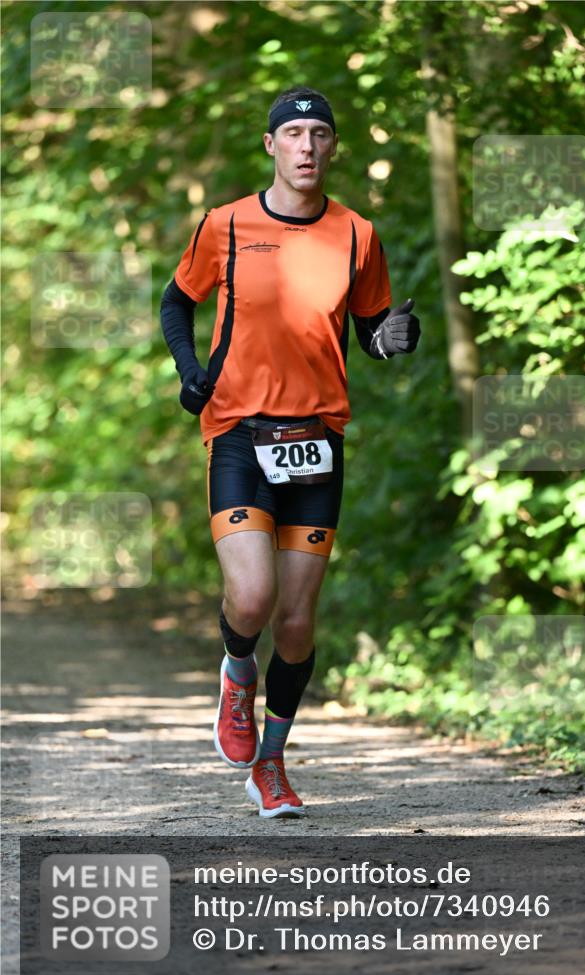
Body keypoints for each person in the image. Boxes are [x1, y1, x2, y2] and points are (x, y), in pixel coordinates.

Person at [160, 87, 421, 818]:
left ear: (334, 148)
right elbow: (175, 301)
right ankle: (236, 672)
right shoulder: (227, 226)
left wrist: (393, 340)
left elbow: (371, 327)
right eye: (293, 133)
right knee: (251, 596)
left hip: (317, 439)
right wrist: (191, 373)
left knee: (300, 620)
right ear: (271, 146)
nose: (306, 146)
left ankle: (270, 765)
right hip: (238, 430)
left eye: (320, 134)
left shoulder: (357, 235)